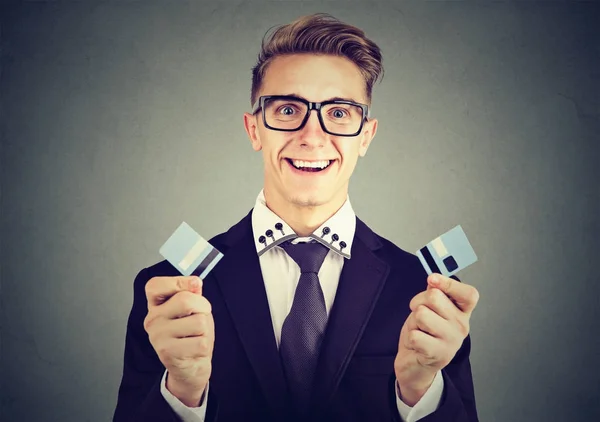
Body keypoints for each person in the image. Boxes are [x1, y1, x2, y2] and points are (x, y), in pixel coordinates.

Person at [113, 13, 480, 422]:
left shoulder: (427, 297)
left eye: (339, 113)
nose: (311, 135)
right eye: (288, 109)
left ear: (366, 136)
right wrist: (181, 392)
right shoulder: (169, 292)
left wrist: (420, 392)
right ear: (254, 130)